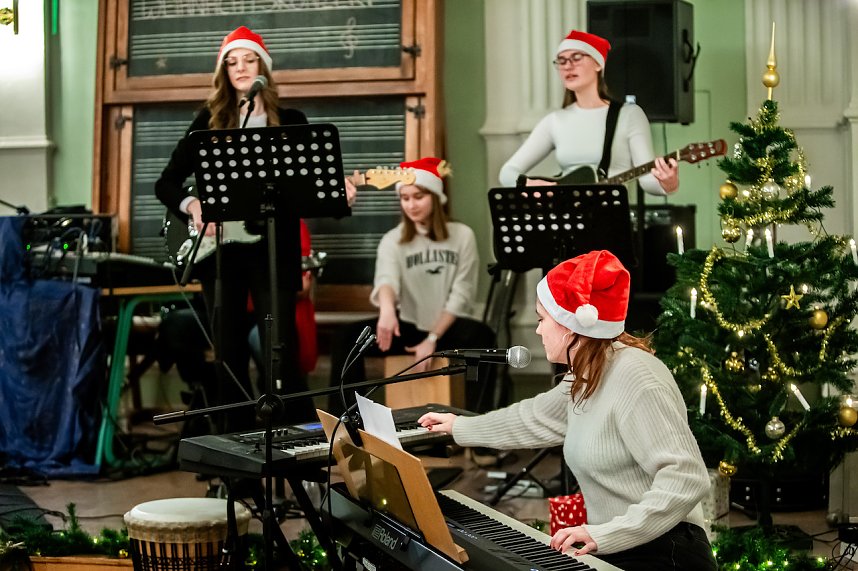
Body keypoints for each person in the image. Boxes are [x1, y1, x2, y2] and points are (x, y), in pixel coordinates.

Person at [419, 250, 716, 571]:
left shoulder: (637, 375)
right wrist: (458, 427)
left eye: (541, 319)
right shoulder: (588, 373)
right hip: (621, 544)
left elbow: (687, 477)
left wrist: (605, 534)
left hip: (667, 550)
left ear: (570, 324)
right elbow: (533, 418)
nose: (537, 331)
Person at [155, 26, 354, 432]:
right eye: (232, 63)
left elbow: (312, 191)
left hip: (274, 251)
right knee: (227, 355)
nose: (240, 68)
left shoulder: (292, 122)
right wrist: (192, 204)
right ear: (224, 73)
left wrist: (339, 191)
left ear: (263, 66)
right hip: (221, 255)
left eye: (248, 60)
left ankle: (295, 445)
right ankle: (236, 453)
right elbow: (166, 183)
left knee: (279, 351)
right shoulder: (209, 122)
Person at [328, 157, 496, 415]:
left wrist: (432, 338)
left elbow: (462, 293)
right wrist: (386, 311)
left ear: (436, 198)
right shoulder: (393, 240)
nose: (411, 204)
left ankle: (481, 433)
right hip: (406, 327)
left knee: (484, 338)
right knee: (348, 339)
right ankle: (348, 424)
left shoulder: (462, 236)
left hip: (447, 329)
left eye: (418, 196)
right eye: (405, 198)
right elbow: (386, 280)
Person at [498, 30, 679, 195]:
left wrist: (668, 182)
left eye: (576, 58)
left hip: (609, 218)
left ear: (597, 64)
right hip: (564, 220)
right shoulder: (555, 121)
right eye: (561, 60)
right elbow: (507, 172)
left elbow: (647, 180)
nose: (567, 66)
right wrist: (529, 184)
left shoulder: (629, 115)